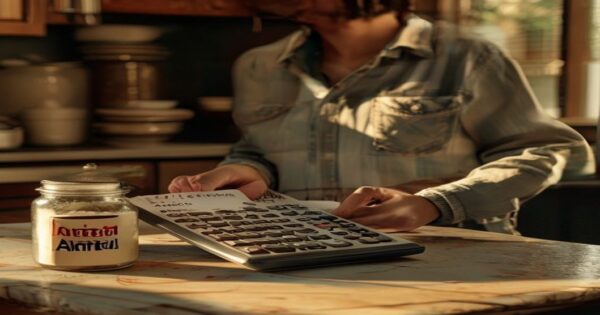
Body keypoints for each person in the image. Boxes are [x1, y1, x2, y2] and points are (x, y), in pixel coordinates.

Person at [170, 0, 595, 234]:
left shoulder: (468, 57)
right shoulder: (258, 66)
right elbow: (259, 150)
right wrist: (241, 170)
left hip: (448, 260)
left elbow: (546, 149)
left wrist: (436, 204)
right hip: (302, 259)